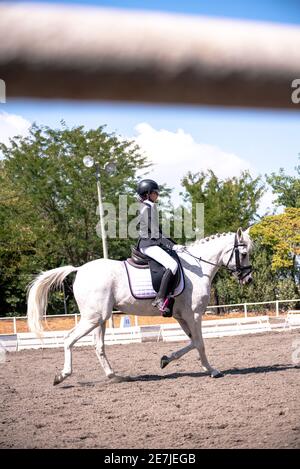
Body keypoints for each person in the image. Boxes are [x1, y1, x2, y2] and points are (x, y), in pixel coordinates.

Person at [136, 179, 178, 317]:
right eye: (155, 192)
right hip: (148, 244)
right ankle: (160, 298)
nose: (157, 195)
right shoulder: (145, 209)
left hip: (152, 242)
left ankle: (168, 297)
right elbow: (154, 233)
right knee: (172, 265)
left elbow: (160, 232)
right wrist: (172, 245)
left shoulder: (149, 207)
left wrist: (175, 245)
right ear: (147, 194)